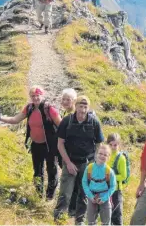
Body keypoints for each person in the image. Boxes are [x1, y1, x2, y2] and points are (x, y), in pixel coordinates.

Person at [0, 86, 62, 200]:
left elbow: (61, 126)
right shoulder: (29, 108)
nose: (35, 98)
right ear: (30, 97)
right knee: (37, 171)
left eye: (37, 95)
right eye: (33, 96)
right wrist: (0, 118)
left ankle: (50, 197)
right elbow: (15, 120)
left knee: (52, 171)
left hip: (49, 146)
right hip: (35, 145)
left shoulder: (49, 109)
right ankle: (39, 196)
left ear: (42, 95)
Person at [54, 96, 104, 225]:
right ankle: (58, 219)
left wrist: (96, 164)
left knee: (84, 194)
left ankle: (79, 220)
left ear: (88, 108)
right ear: (75, 106)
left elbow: (99, 144)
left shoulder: (94, 123)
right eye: (80, 106)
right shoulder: (67, 121)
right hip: (70, 161)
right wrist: (68, 163)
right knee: (65, 193)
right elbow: (60, 144)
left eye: (85, 107)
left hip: (87, 163)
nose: (82, 110)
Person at [82, 144, 116, 225]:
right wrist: (90, 196)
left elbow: (113, 186)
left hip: (105, 198)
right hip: (91, 197)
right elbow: (84, 182)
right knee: (91, 222)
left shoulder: (109, 171)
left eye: (105, 155)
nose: (102, 156)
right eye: (100, 153)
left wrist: (104, 198)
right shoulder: (89, 168)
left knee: (106, 222)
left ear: (108, 157)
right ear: (96, 154)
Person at [59, 88, 80, 217]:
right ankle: (71, 211)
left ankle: (71, 211)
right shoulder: (66, 113)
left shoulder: (73, 116)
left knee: (72, 183)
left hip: (73, 155)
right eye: (64, 99)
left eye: (68, 99)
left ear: (74, 101)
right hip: (66, 153)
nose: (65, 102)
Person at [107, 133, 127, 225]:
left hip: (116, 190)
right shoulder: (105, 155)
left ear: (118, 145)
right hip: (105, 190)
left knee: (117, 214)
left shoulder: (121, 158)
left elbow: (123, 176)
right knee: (106, 214)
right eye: (110, 145)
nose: (112, 147)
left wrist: (110, 176)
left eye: (115, 145)